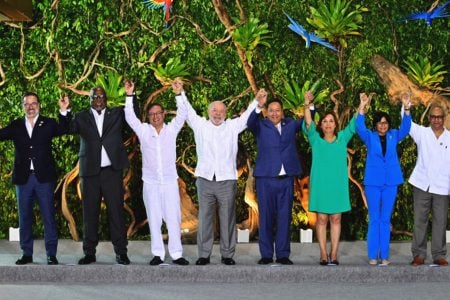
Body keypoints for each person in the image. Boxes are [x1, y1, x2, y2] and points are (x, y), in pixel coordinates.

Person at [178, 86, 258, 266]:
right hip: (205, 180)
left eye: (221, 111)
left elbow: (246, 117)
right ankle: (204, 255)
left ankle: (227, 255)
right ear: (208, 112)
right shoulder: (200, 125)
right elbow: (187, 109)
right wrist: (179, 93)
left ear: (226, 113)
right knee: (205, 218)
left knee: (228, 218)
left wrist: (257, 101)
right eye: (214, 110)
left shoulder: (232, 126)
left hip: (227, 180)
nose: (217, 113)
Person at [123, 79, 189, 266]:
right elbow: (130, 118)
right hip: (150, 183)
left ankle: (176, 254)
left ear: (163, 115)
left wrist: (178, 94)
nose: (155, 117)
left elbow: (183, 114)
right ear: (149, 117)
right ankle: (158, 254)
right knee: (153, 218)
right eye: (151, 114)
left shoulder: (171, 130)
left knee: (173, 219)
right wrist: (129, 96)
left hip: (169, 182)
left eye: (158, 113)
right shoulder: (144, 131)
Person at [0, 92, 71, 265]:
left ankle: (51, 254)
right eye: (27, 104)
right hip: (23, 180)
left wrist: (64, 111)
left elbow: (65, 128)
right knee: (24, 218)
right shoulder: (16, 125)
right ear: (23, 106)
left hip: (44, 179)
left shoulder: (48, 123)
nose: (30, 107)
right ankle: (27, 253)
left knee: (48, 216)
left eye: (33, 103)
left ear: (39, 105)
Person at [246, 89, 312, 265]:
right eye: (272, 110)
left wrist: (308, 104)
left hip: (286, 180)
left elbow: (308, 118)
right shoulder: (260, 125)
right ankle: (266, 254)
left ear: (283, 112)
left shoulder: (291, 124)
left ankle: (283, 254)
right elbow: (250, 121)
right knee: (265, 217)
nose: (275, 113)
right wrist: (259, 104)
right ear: (268, 112)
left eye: (278, 110)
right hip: (265, 179)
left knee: (284, 217)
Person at [67, 87, 130, 265]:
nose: (99, 99)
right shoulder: (81, 117)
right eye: (95, 97)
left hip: (112, 172)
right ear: (90, 99)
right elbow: (67, 128)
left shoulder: (117, 114)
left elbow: (134, 116)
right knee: (90, 214)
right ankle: (89, 253)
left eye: (102, 96)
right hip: (90, 173)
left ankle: (121, 252)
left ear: (106, 99)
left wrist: (130, 95)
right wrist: (65, 111)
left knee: (116, 213)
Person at [303, 92, 361, 266]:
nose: (328, 124)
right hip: (321, 185)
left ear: (336, 125)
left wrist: (362, 105)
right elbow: (307, 122)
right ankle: (322, 253)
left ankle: (334, 254)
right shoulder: (315, 140)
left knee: (336, 219)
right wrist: (307, 103)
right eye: (325, 121)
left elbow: (354, 123)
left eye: (331, 121)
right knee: (321, 219)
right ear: (320, 125)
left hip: (337, 186)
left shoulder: (342, 139)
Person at [356, 93, 411, 265]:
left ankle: (384, 256)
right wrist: (362, 106)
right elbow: (359, 126)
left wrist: (407, 108)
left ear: (388, 124)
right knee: (374, 218)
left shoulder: (394, 135)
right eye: (380, 122)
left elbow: (406, 128)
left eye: (385, 122)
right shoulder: (369, 137)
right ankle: (373, 256)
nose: (383, 125)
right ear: (376, 125)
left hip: (391, 182)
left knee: (385, 219)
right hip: (373, 182)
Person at [409, 100, 450, 266]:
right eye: (433, 117)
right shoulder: (422, 133)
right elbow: (407, 124)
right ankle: (419, 254)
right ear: (429, 118)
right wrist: (406, 107)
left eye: (439, 117)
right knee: (420, 220)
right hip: (422, 184)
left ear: (444, 118)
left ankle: (439, 255)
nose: (436, 120)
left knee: (440, 221)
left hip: (442, 186)